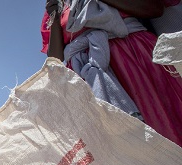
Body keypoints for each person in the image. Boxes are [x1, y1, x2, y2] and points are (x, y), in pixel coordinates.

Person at [42, 0, 182, 147]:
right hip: (88, 76)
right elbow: (55, 58)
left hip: (135, 59)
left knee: (161, 122)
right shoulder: (57, 6)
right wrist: (55, 16)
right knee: (119, 146)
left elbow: (154, 8)